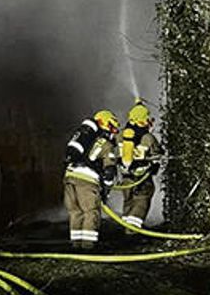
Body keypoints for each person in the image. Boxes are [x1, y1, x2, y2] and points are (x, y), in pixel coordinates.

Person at [63, 109, 120, 249]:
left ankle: (76, 245)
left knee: (75, 212)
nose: (113, 132)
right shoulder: (106, 144)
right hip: (87, 181)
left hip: (69, 177)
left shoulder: (84, 138)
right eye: (112, 127)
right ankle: (88, 246)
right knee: (91, 212)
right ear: (105, 124)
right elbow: (109, 171)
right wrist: (106, 190)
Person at [118, 99, 163, 229]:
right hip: (142, 177)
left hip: (125, 177)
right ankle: (132, 229)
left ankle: (126, 225)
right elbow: (158, 152)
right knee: (142, 199)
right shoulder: (148, 137)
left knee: (128, 200)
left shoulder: (121, 135)